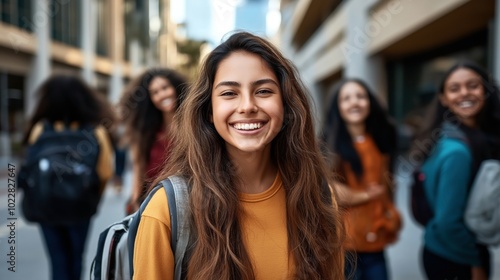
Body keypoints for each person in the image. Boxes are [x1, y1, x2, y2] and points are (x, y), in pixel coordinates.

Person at [133, 31, 346, 279]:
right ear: (209, 111)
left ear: (286, 105)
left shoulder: (319, 195)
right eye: (229, 93)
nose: (247, 106)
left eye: (264, 91)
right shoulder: (166, 209)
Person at [410, 61, 500, 280]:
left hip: (444, 248)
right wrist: (474, 262)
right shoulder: (457, 152)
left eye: (473, 85)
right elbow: (448, 222)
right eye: (454, 88)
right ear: (443, 98)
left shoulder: (457, 136)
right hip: (455, 257)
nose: (464, 93)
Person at [21, 75, 114, 280]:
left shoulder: (40, 129)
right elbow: (105, 172)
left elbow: (30, 167)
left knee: (58, 260)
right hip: (80, 207)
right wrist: (92, 196)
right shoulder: (95, 131)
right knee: (76, 259)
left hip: (47, 206)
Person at [323, 78, 402, 280]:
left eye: (360, 96)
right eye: (346, 98)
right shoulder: (327, 146)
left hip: (376, 240)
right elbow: (329, 192)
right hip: (344, 246)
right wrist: (366, 195)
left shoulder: (380, 141)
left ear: (370, 102)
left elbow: (387, 186)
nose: (355, 102)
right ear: (338, 107)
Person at [120, 68, 188, 213]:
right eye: (155, 92)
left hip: (187, 200)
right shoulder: (145, 132)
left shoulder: (192, 124)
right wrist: (135, 200)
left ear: (175, 87)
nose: (162, 95)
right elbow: (139, 167)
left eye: (165, 88)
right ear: (149, 99)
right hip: (153, 202)